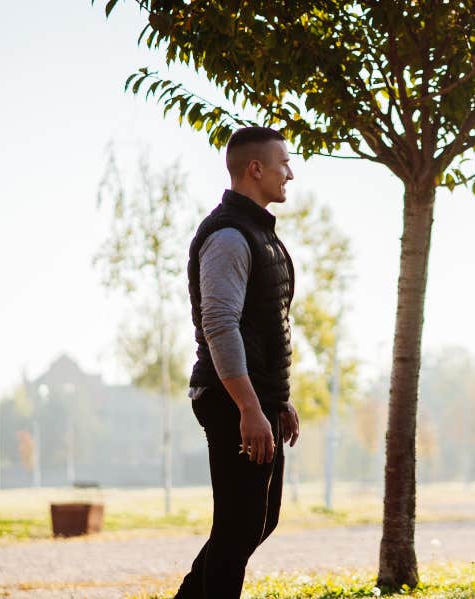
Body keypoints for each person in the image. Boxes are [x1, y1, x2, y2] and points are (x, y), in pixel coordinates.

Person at [175, 126, 302, 599]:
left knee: (257, 521)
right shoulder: (229, 235)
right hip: (230, 398)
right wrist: (249, 407)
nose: (289, 173)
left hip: (253, 397)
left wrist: (277, 401)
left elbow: (267, 323)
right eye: (283, 163)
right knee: (238, 526)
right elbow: (220, 324)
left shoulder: (258, 233)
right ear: (255, 169)